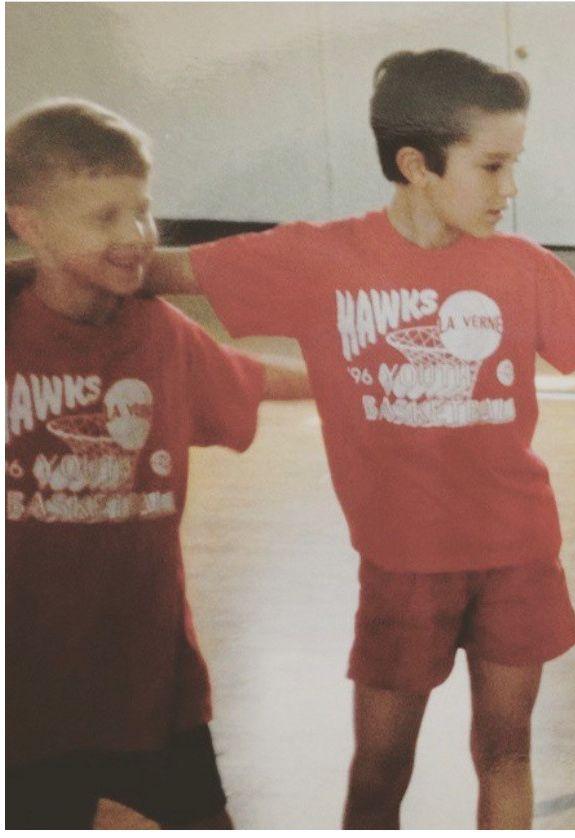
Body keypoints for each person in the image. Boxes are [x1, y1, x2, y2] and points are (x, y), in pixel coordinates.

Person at [137, 49, 575, 828]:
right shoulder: (317, 259)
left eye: (514, 165)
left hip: (518, 555)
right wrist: (31, 272)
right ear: (416, 164)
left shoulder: (521, 266)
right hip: (402, 569)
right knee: (380, 767)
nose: (510, 189)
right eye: (492, 166)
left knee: (506, 753)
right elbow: (153, 269)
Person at [5, 98, 310, 829]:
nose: (134, 234)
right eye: (104, 217)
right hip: (26, 689)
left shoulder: (159, 333)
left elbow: (253, 379)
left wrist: (354, 379)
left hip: (149, 683)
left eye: (141, 211)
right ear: (29, 226)